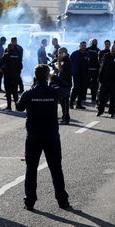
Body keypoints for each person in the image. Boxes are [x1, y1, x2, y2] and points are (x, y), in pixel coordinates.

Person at [15, 64, 70, 211]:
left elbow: (19, 107)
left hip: (33, 136)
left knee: (31, 169)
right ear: (47, 76)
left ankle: (29, 201)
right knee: (56, 168)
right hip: (51, 135)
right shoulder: (53, 92)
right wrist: (54, 77)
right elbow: (67, 88)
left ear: (35, 76)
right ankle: (62, 200)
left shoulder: (29, 93)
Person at [97, 43, 115, 117]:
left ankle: (112, 112)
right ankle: (100, 111)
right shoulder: (106, 56)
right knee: (102, 97)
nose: (114, 49)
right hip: (105, 81)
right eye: (113, 48)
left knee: (113, 98)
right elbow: (101, 66)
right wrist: (100, 77)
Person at [1, 43, 22, 111]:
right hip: (15, 76)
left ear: (8, 48)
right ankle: (17, 106)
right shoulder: (17, 55)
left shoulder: (6, 55)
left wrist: (4, 71)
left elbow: (1, 65)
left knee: (8, 92)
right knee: (15, 91)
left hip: (8, 76)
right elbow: (21, 66)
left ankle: (9, 106)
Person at [70, 41, 89, 109]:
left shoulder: (87, 54)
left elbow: (88, 64)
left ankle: (79, 104)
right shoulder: (75, 53)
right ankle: (71, 102)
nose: (83, 47)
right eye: (82, 45)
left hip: (84, 75)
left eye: (84, 45)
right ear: (80, 46)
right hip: (76, 74)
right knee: (76, 88)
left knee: (82, 89)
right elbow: (70, 62)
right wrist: (71, 72)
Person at [56, 47, 72, 125]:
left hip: (66, 84)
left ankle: (66, 118)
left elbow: (60, 69)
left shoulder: (67, 61)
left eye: (60, 53)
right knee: (62, 102)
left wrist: (58, 61)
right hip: (62, 83)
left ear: (64, 53)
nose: (58, 54)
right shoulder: (63, 60)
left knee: (65, 102)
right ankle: (64, 117)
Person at [86, 38, 100, 103]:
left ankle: (93, 99)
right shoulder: (87, 49)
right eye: (94, 41)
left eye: (96, 41)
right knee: (86, 84)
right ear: (91, 42)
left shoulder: (98, 50)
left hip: (95, 70)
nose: (95, 42)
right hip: (87, 70)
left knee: (94, 85)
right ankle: (83, 98)